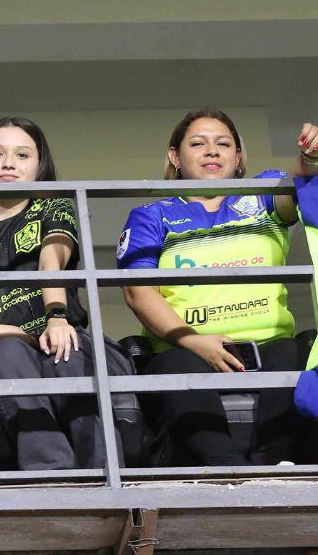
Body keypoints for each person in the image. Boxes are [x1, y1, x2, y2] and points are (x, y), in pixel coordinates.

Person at [118, 108, 318, 466]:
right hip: (184, 349)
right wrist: (197, 342)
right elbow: (138, 292)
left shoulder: (262, 194)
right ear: (175, 157)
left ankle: (271, 470)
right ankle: (231, 472)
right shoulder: (152, 215)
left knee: (294, 358)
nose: (212, 151)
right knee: (175, 368)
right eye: (198, 143)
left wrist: (309, 154)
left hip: (270, 346)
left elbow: (299, 179)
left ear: (238, 158)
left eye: (223, 144)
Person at [0, 116, 134, 471]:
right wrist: (1, 332)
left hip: (62, 334)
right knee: (8, 351)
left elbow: (51, 262)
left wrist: (56, 317)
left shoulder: (52, 208)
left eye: (23, 155)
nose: (9, 163)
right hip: (2, 353)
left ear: (38, 166)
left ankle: (104, 475)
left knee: (68, 350)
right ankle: (53, 475)